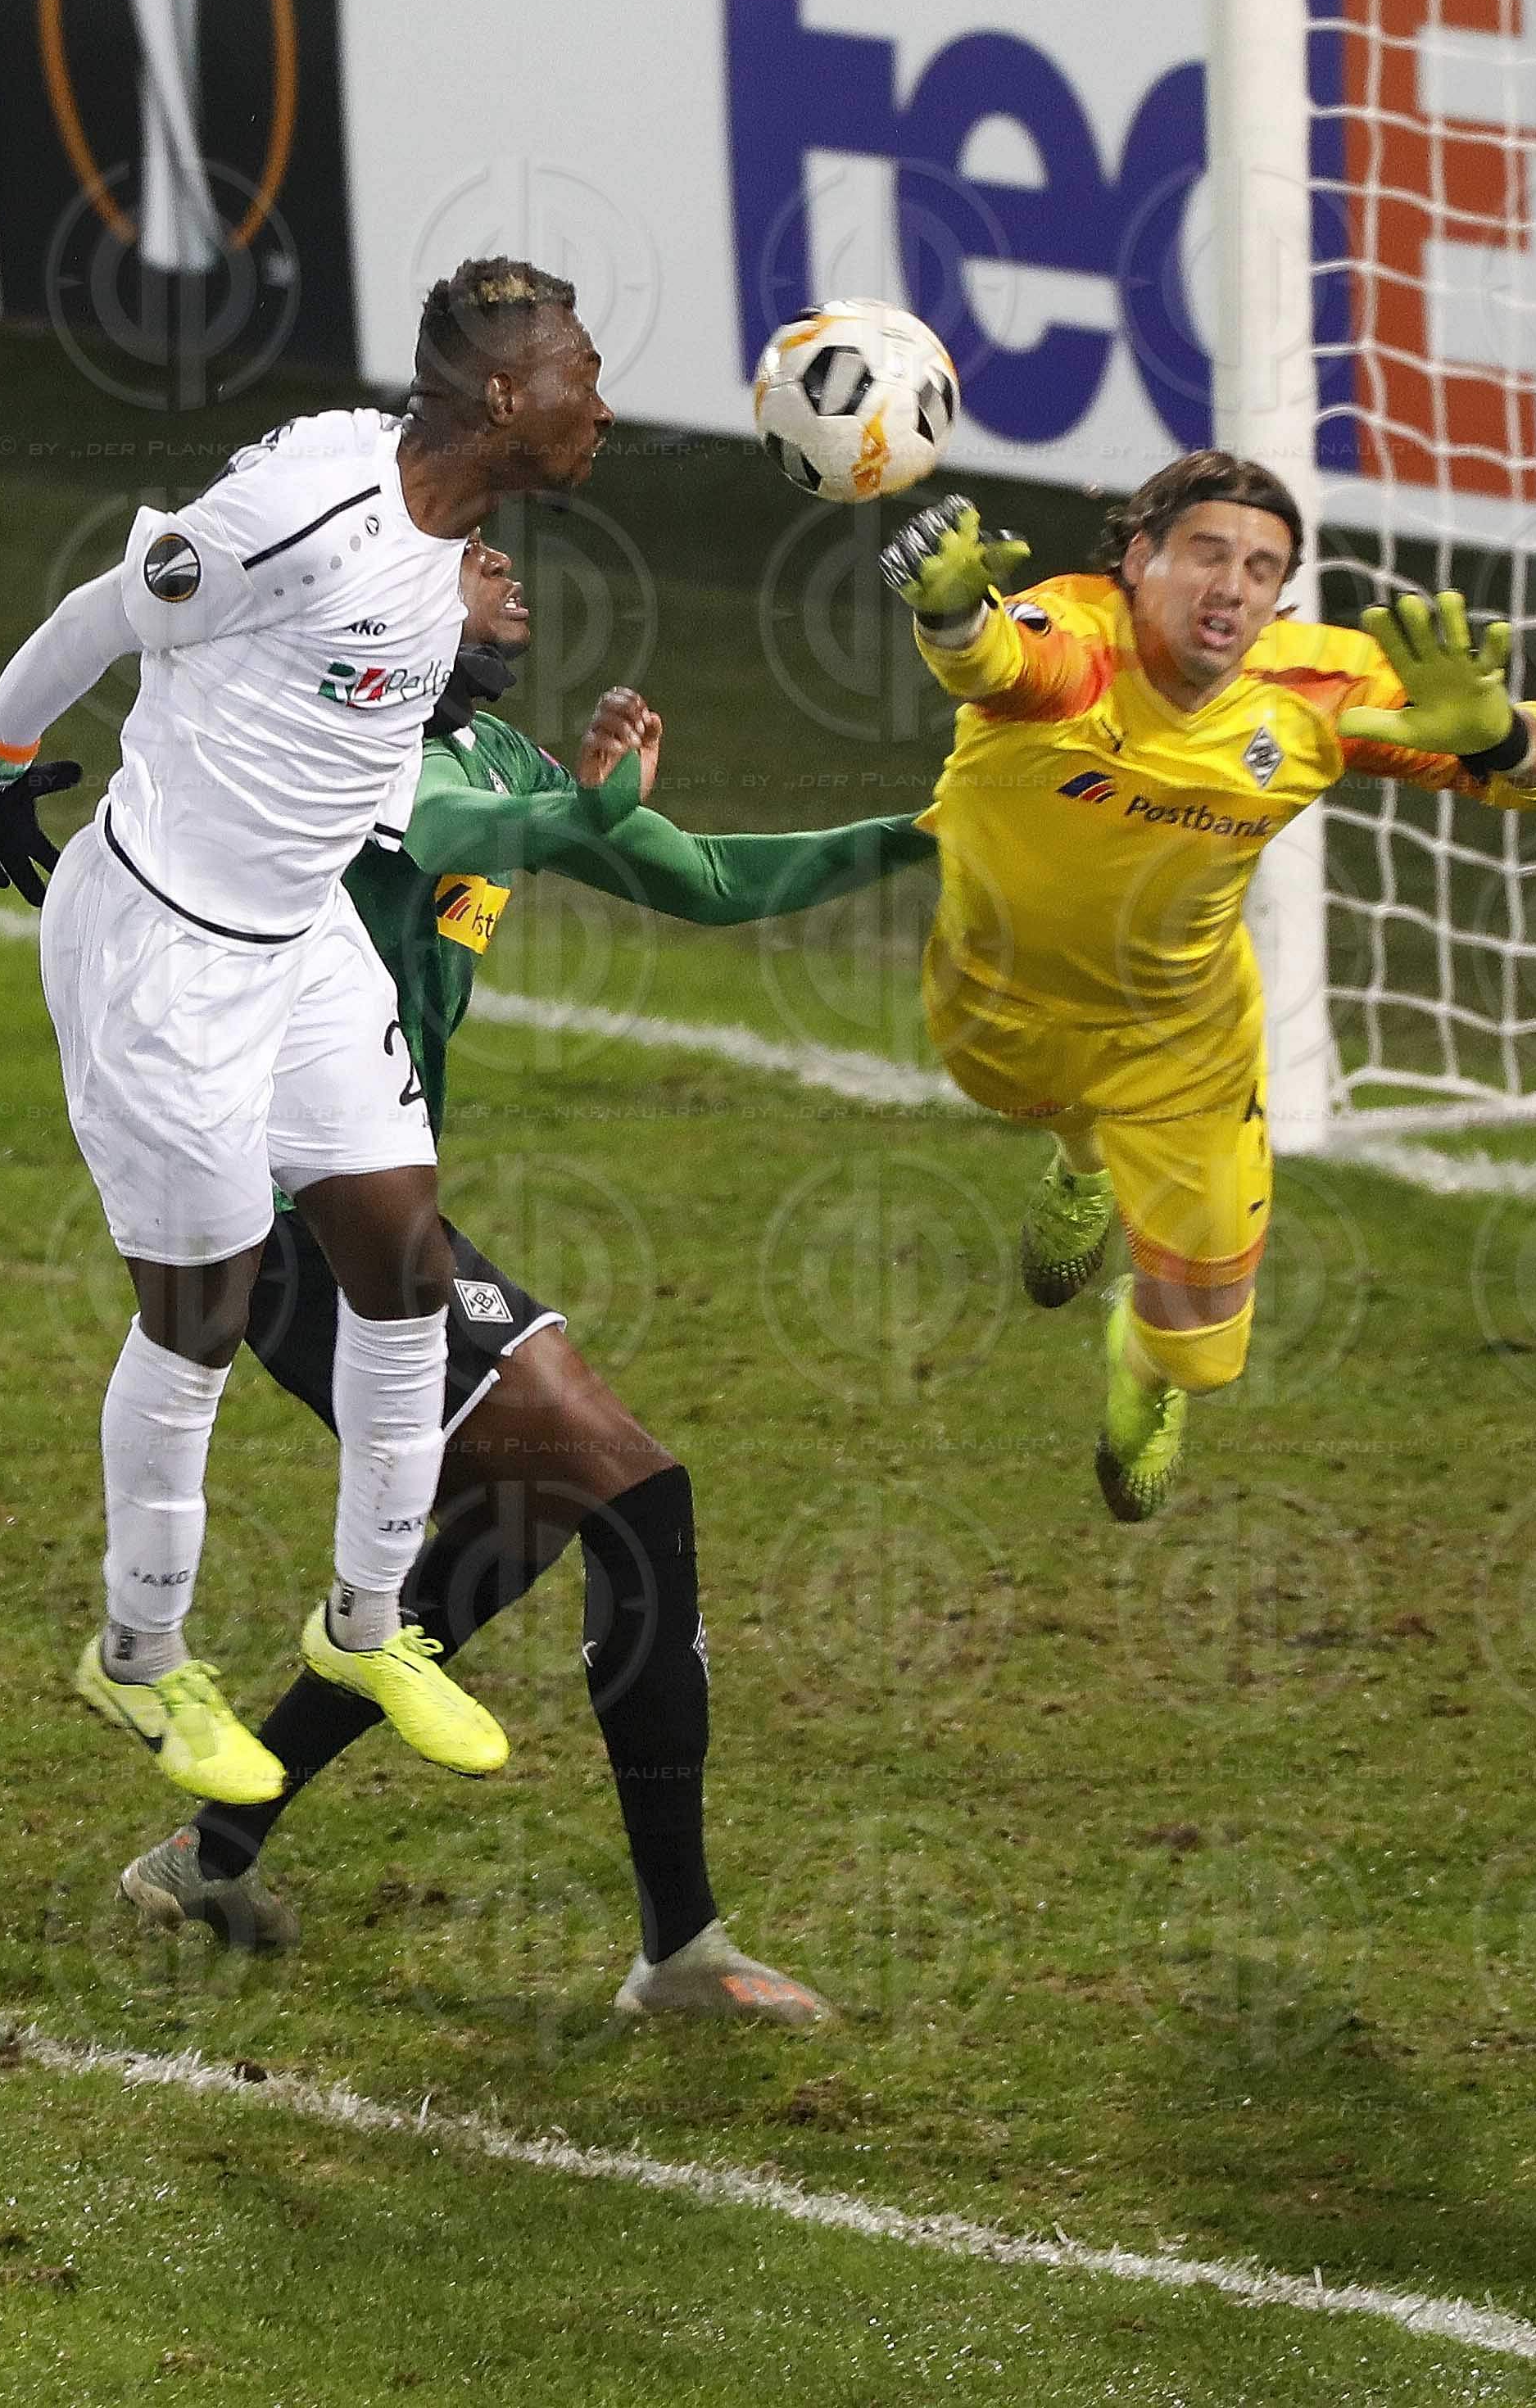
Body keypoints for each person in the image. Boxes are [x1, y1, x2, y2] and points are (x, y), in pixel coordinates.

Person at [116, 533, 936, 2019]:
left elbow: (698, 882)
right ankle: (679, 1952)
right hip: (277, 1206)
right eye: (463, 555)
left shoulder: (492, 752)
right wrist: (568, 814)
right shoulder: (339, 747)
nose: (503, 566)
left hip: (368, 1198)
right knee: (628, 1493)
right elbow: (433, 828)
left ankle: (209, 1852)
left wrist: (925, 833)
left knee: (513, 1517)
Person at [0, 259, 611, 1804]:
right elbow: (108, 612)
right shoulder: (310, 509)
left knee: (408, 1266)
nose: (605, 401)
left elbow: (355, 707)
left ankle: (370, 1622)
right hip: (164, 953)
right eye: (582, 368)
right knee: (204, 1316)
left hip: (304, 938)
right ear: (503, 396)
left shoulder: (449, 547)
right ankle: (138, 1658)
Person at [879, 450, 1536, 1520]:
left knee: (1205, 1351)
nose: (1233, 586)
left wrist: (1499, 737)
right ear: (1139, 559)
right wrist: (947, 618)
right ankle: (1084, 1163)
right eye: (1207, 553)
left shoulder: (1316, 686)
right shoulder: (1077, 636)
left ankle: (1144, 1369)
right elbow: (996, 662)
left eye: (1264, 568)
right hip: (1000, 1001)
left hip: (1186, 1037)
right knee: (1042, 1105)